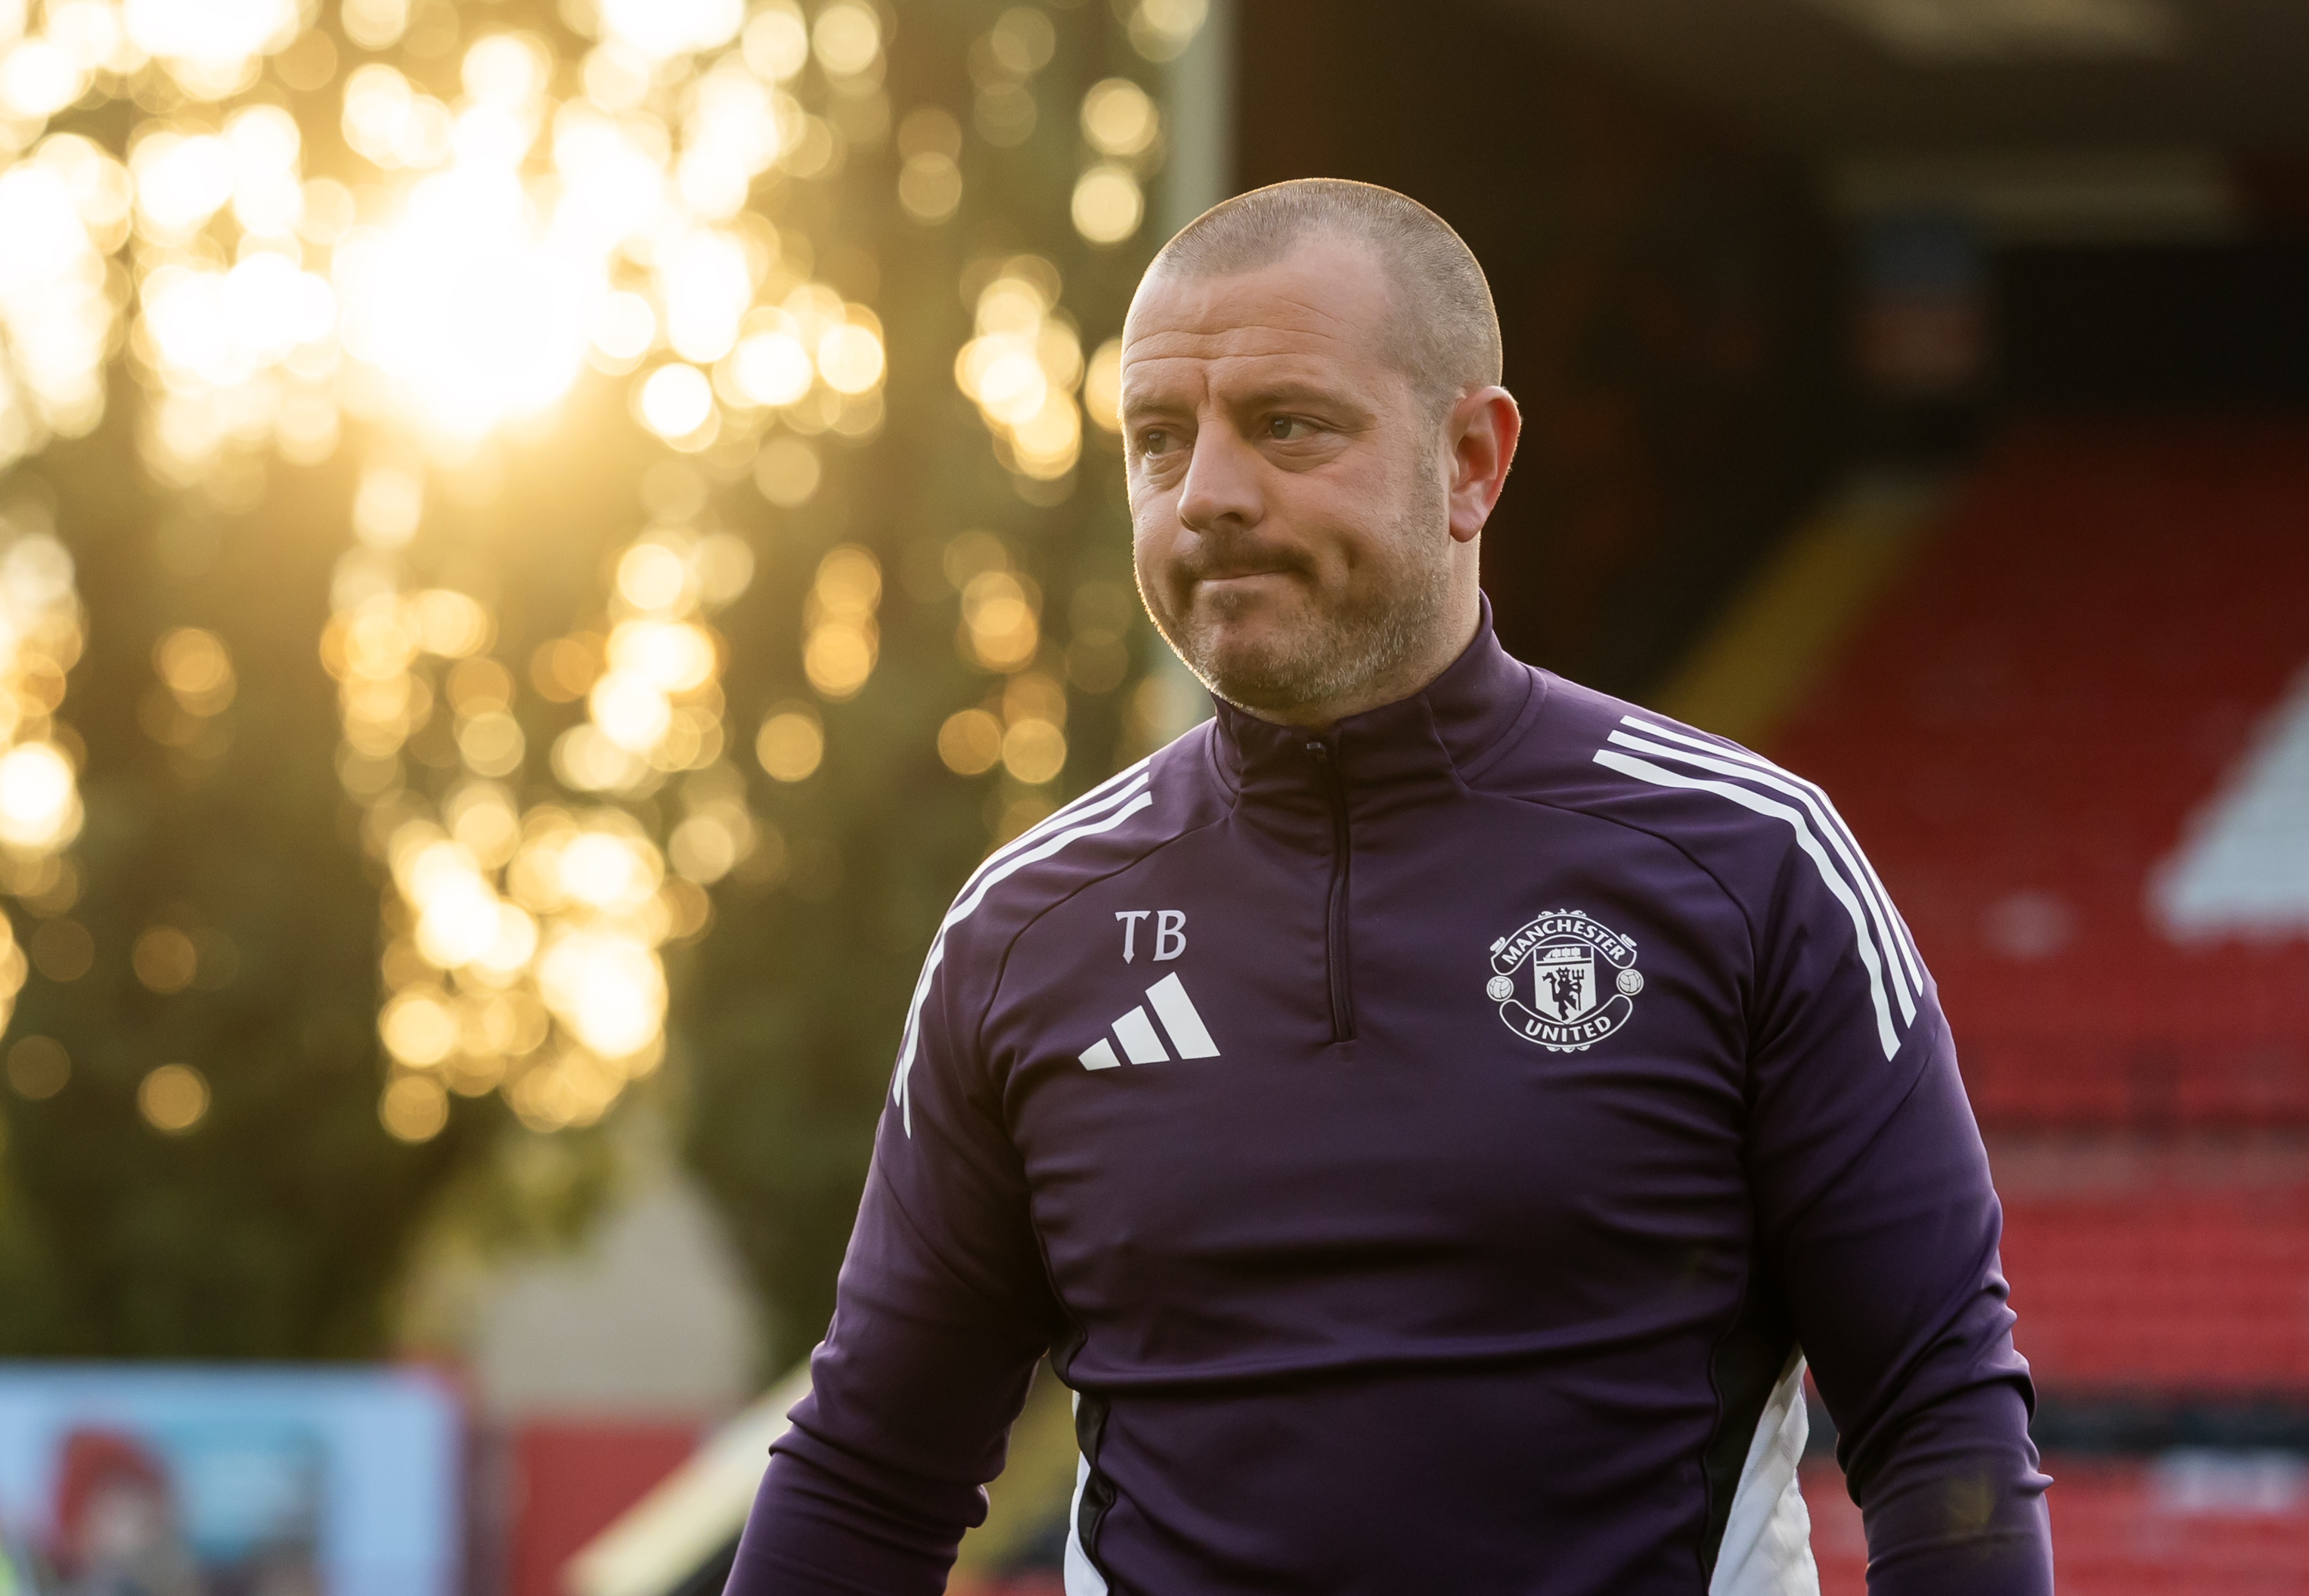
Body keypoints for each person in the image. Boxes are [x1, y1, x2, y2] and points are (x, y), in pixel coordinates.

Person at [725, 178, 2051, 1595]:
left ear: (1471, 459)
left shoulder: (1749, 866)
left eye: (1288, 425)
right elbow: (872, 1472)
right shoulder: (1025, 932)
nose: (1210, 496)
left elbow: (1937, 1424)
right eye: (1158, 442)